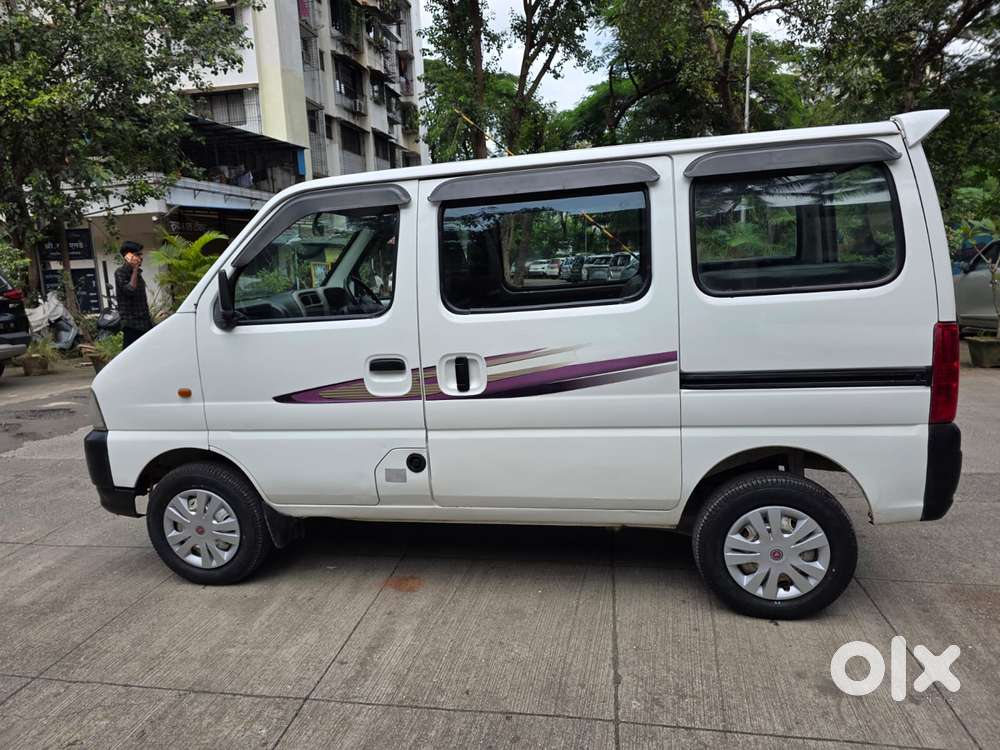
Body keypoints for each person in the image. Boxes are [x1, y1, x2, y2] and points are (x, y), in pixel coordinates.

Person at [114, 240, 153, 348]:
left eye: (141, 254)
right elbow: (130, 290)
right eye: (137, 254)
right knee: (129, 354)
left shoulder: (138, 274)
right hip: (132, 324)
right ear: (128, 256)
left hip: (144, 321)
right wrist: (135, 270)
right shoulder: (120, 273)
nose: (141, 257)